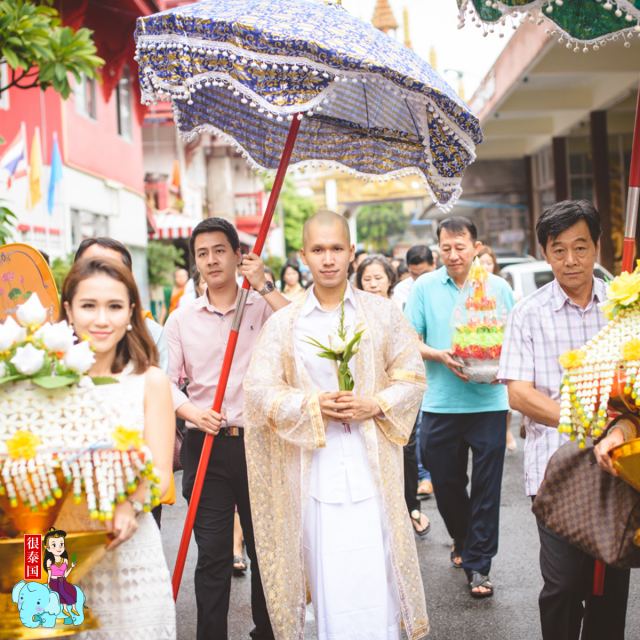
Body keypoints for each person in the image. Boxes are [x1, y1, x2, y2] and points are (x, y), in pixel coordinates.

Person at [243, 211, 429, 640]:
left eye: (337, 248)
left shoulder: (382, 313)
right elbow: (259, 391)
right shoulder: (284, 324)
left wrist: (374, 403)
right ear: (304, 255)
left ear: (351, 252)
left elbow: (412, 376)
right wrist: (312, 405)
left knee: (378, 568)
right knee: (329, 573)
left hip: (372, 467)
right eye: (318, 250)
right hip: (315, 472)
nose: (328, 259)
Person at [498, 200, 630, 640]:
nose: (570, 260)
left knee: (611, 588)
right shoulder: (527, 313)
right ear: (544, 252)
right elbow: (519, 393)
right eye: (558, 250)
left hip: (620, 466)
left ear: (597, 247)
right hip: (556, 468)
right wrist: (589, 422)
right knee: (562, 584)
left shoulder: (624, 308)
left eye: (580, 247)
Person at [164, 217, 289, 640]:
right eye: (203, 253)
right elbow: (164, 381)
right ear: (195, 261)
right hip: (207, 446)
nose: (212, 260)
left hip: (260, 443)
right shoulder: (181, 320)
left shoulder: (262, 307)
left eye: (220, 250)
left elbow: (305, 334)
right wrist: (192, 412)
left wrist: (267, 287)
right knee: (213, 555)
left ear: (240, 255)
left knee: (265, 551)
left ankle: (267, 633)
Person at [61, 256, 176, 640]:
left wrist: (130, 504)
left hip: (129, 550)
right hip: (51, 552)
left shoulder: (150, 382)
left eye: (114, 306)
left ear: (131, 312)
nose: (101, 319)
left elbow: (160, 475)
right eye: (88, 305)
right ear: (68, 311)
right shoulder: (38, 380)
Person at [405, 217, 514, 599]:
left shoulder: (498, 288)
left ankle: (479, 565)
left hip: (489, 402)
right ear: (439, 250)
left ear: (477, 247)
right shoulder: (425, 286)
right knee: (447, 483)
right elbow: (408, 340)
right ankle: (463, 537)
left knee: (486, 488)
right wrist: (439, 354)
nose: (453, 255)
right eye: (446, 248)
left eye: (460, 247)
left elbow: (513, 340)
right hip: (440, 405)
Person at [357, 254, 430, 536]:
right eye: (367, 279)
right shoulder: (351, 312)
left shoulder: (400, 310)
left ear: (390, 280)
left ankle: (411, 508)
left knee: (406, 451)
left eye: (378, 278)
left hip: (399, 396)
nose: (373, 283)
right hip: (366, 399)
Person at [74, 238, 169, 376]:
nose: (101, 278)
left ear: (129, 278)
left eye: (112, 270)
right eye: (91, 269)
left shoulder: (152, 334)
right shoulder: (52, 341)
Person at [477, 246, 518, 453]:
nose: (485, 266)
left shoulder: (501, 287)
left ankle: (507, 430)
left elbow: (512, 325)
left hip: (500, 356)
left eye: (488, 263)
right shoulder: (471, 291)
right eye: (481, 262)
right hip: (478, 356)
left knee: (506, 400)